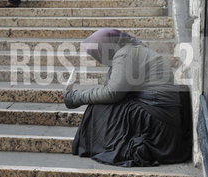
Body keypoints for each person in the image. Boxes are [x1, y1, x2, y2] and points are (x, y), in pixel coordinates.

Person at [64, 29, 192, 166]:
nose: (98, 58)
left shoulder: (125, 54)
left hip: (158, 124)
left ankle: (100, 145)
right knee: (102, 102)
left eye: (96, 52)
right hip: (164, 123)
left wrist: (75, 98)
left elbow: (112, 93)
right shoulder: (132, 50)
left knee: (99, 107)